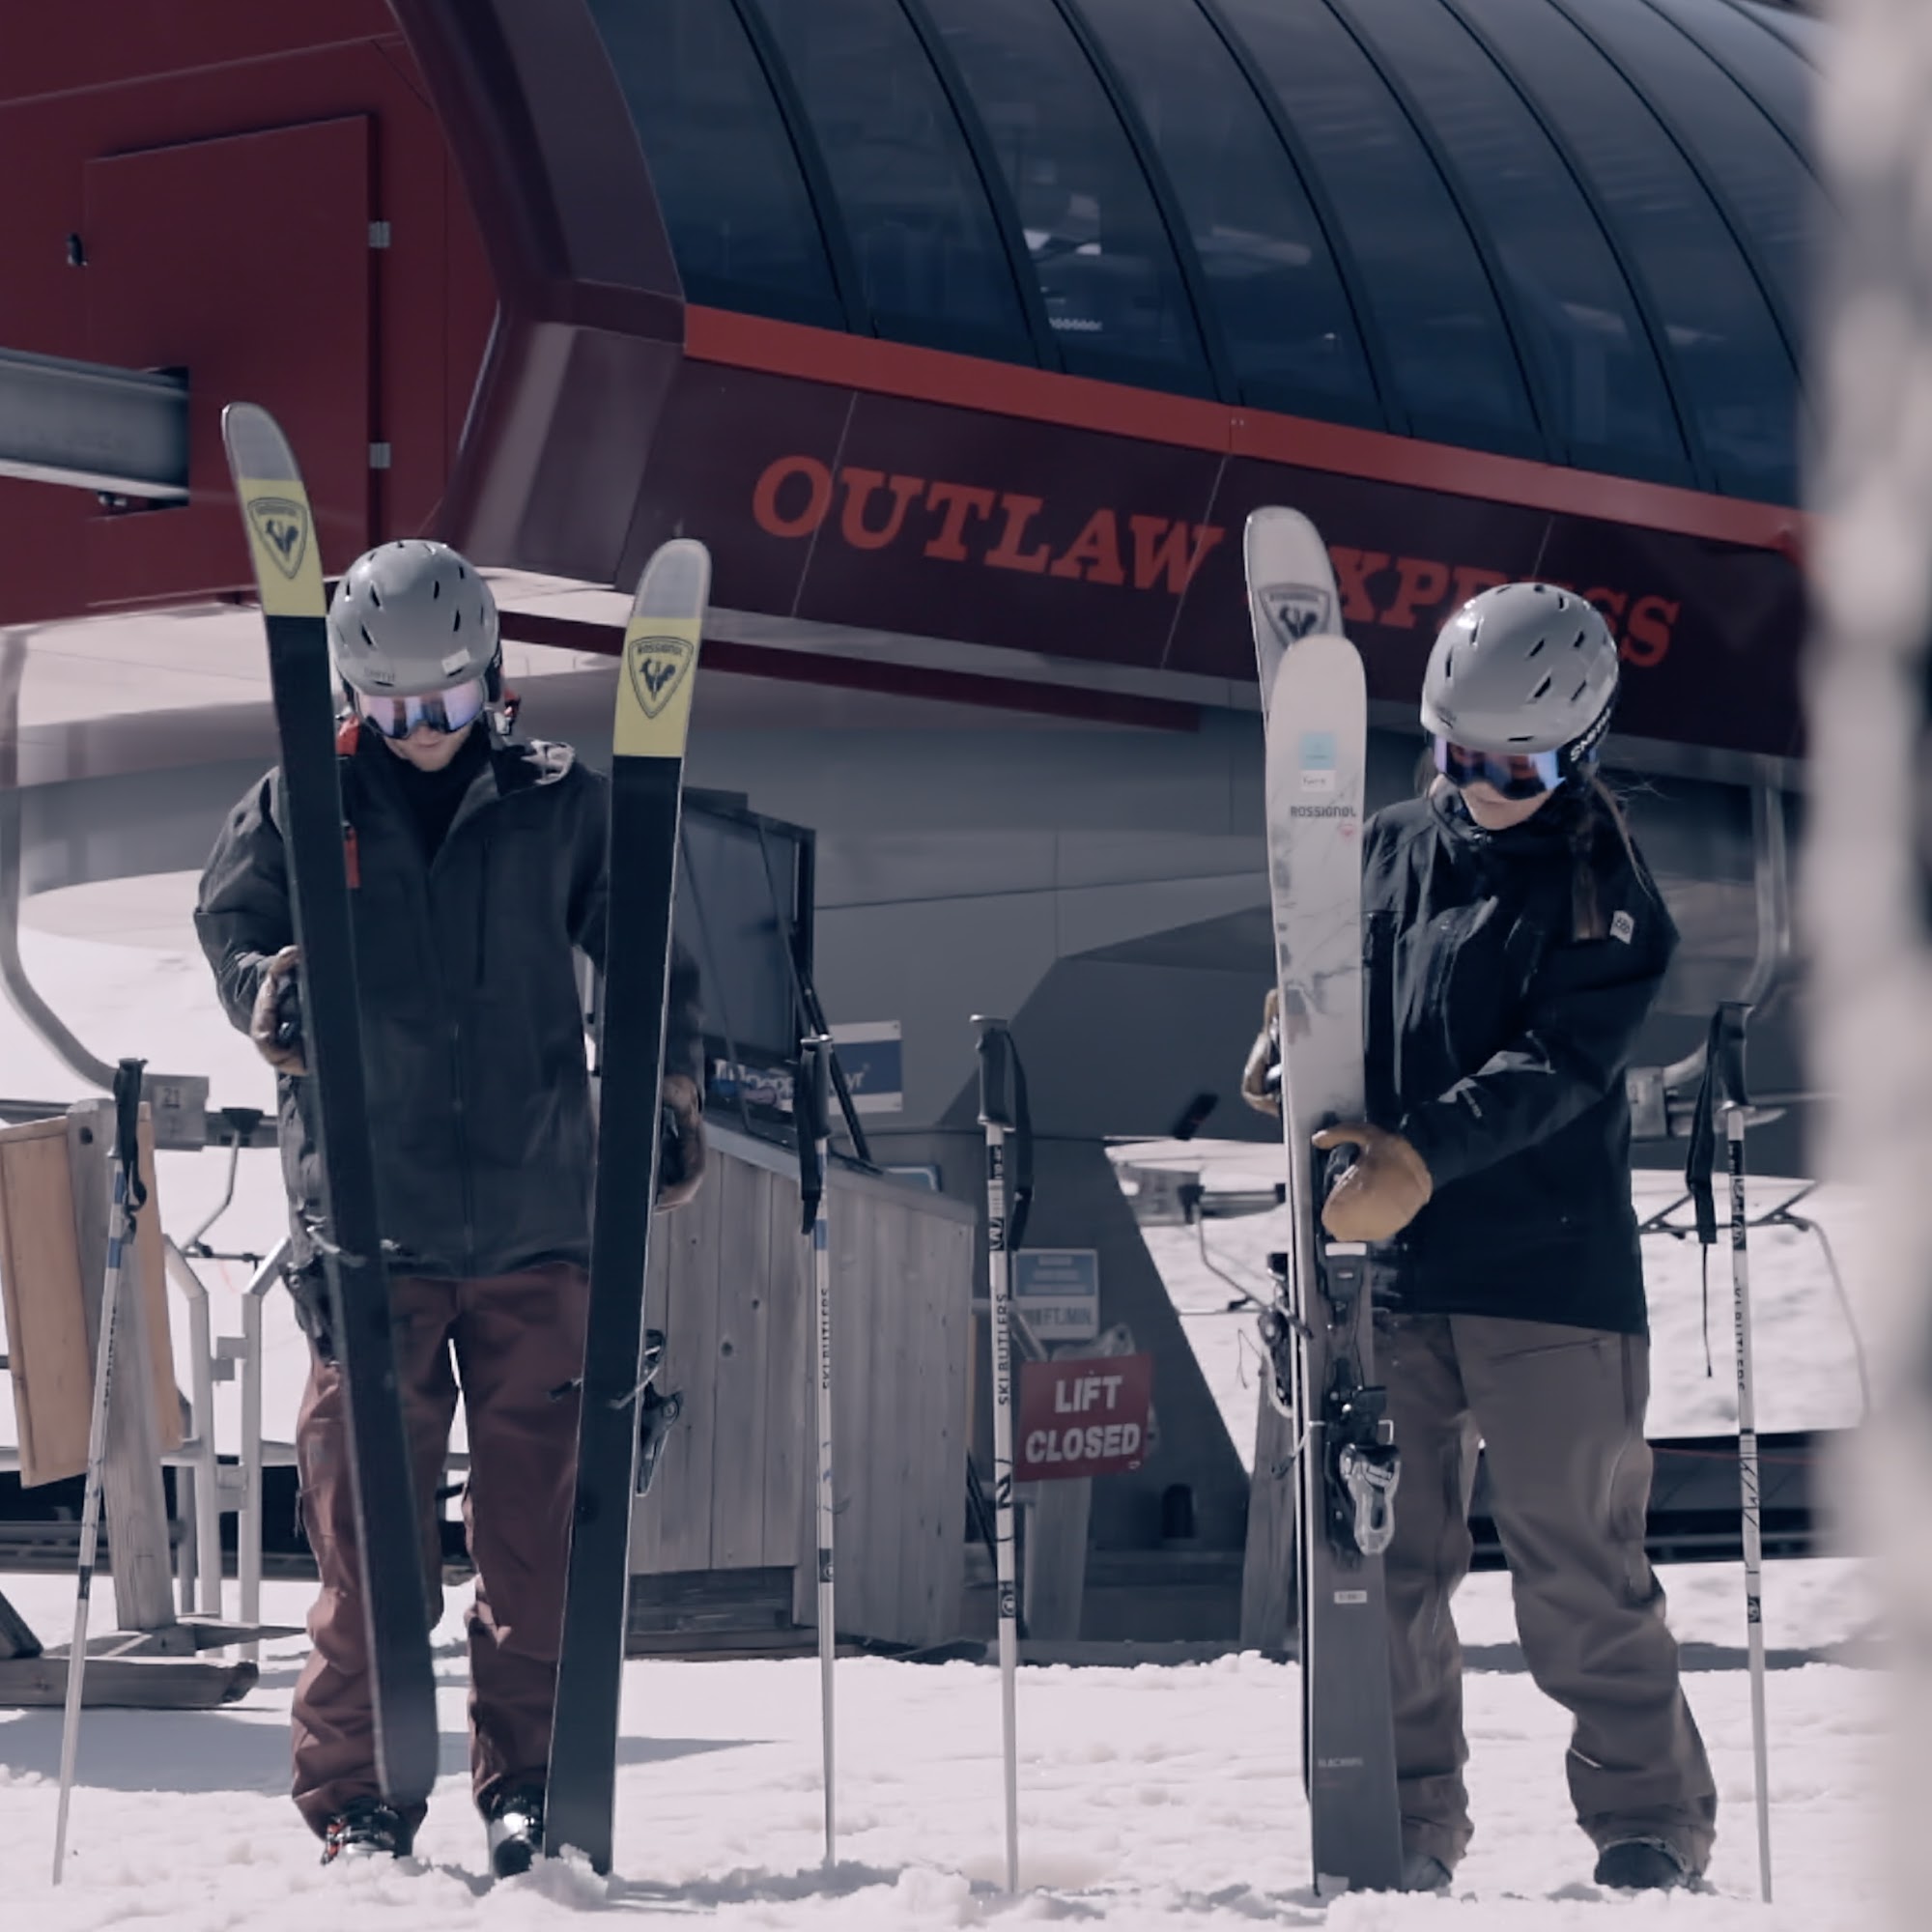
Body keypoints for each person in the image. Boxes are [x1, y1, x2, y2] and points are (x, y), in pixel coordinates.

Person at [195, 540, 706, 1874]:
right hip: (371, 1228)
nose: (427, 730)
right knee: (373, 1550)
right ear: (352, 697)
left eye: (453, 701)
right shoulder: (302, 804)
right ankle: (360, 1798)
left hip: (540, 1224)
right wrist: (265, 990)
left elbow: (651, 952)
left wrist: (667, 1085)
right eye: (398, 708)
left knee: (538, 1546)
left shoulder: (559, 805)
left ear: (495, 681)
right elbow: (232, 927)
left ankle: (529, 1782)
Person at [1241, 582, 1716, 1894]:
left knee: (1579, 1571)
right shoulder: (1385, 847)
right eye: (1457, 754)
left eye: (1518, 769)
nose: (1479, 788)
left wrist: (1421, 1157)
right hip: (1388, 1277)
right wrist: (1293, 1043)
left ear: (1582, 753)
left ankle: (1649, 1821)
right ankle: (1403, 1819)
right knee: (1383, 1567)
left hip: (1548, 1279)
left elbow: (1556, 1065)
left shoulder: (1608, 895)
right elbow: (1332, 984)